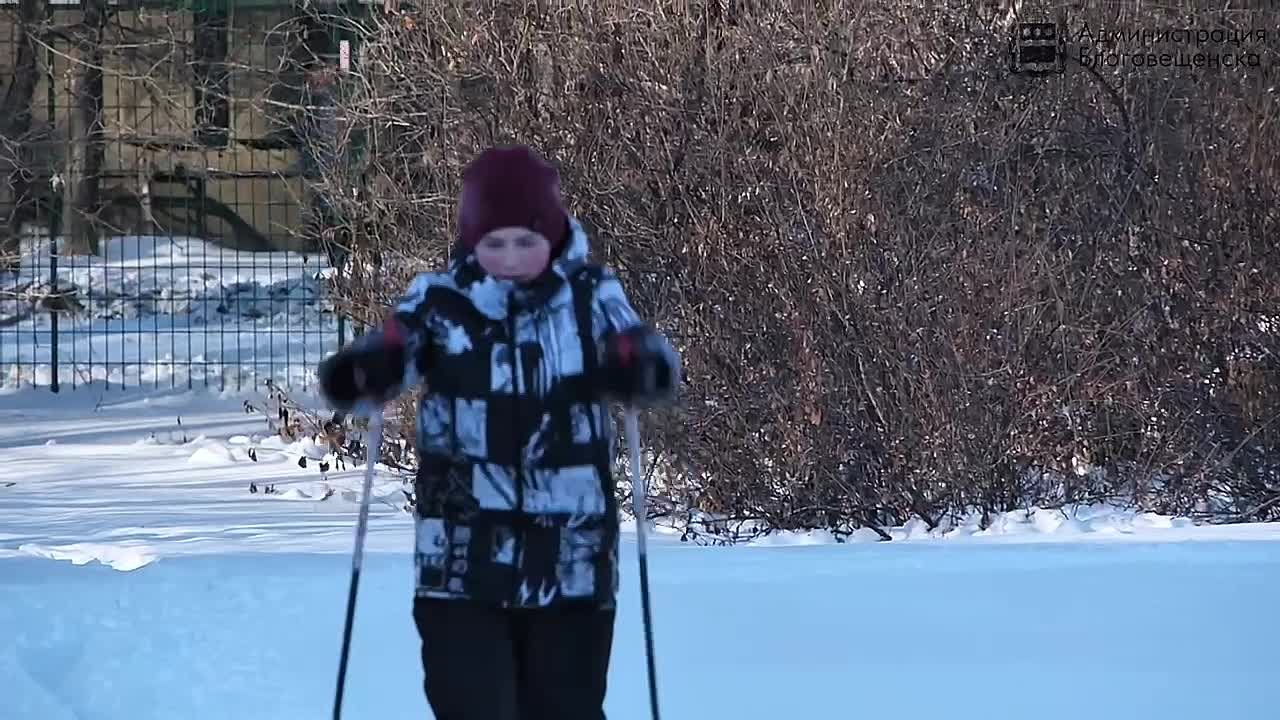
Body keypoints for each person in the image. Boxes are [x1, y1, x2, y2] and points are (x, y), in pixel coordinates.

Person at [316, 144, 681, 720]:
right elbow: (396, 343)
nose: (510, 258)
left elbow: (642, 350)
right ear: (470, 241)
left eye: (526, 242)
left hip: (572, 560)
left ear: (555, 235)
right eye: (494, 244)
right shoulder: (439, 303)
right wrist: (369, 368)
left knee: (565, 708)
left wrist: (638, 366)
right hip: (461, 560)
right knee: (471, 705)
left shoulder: (589, 298)